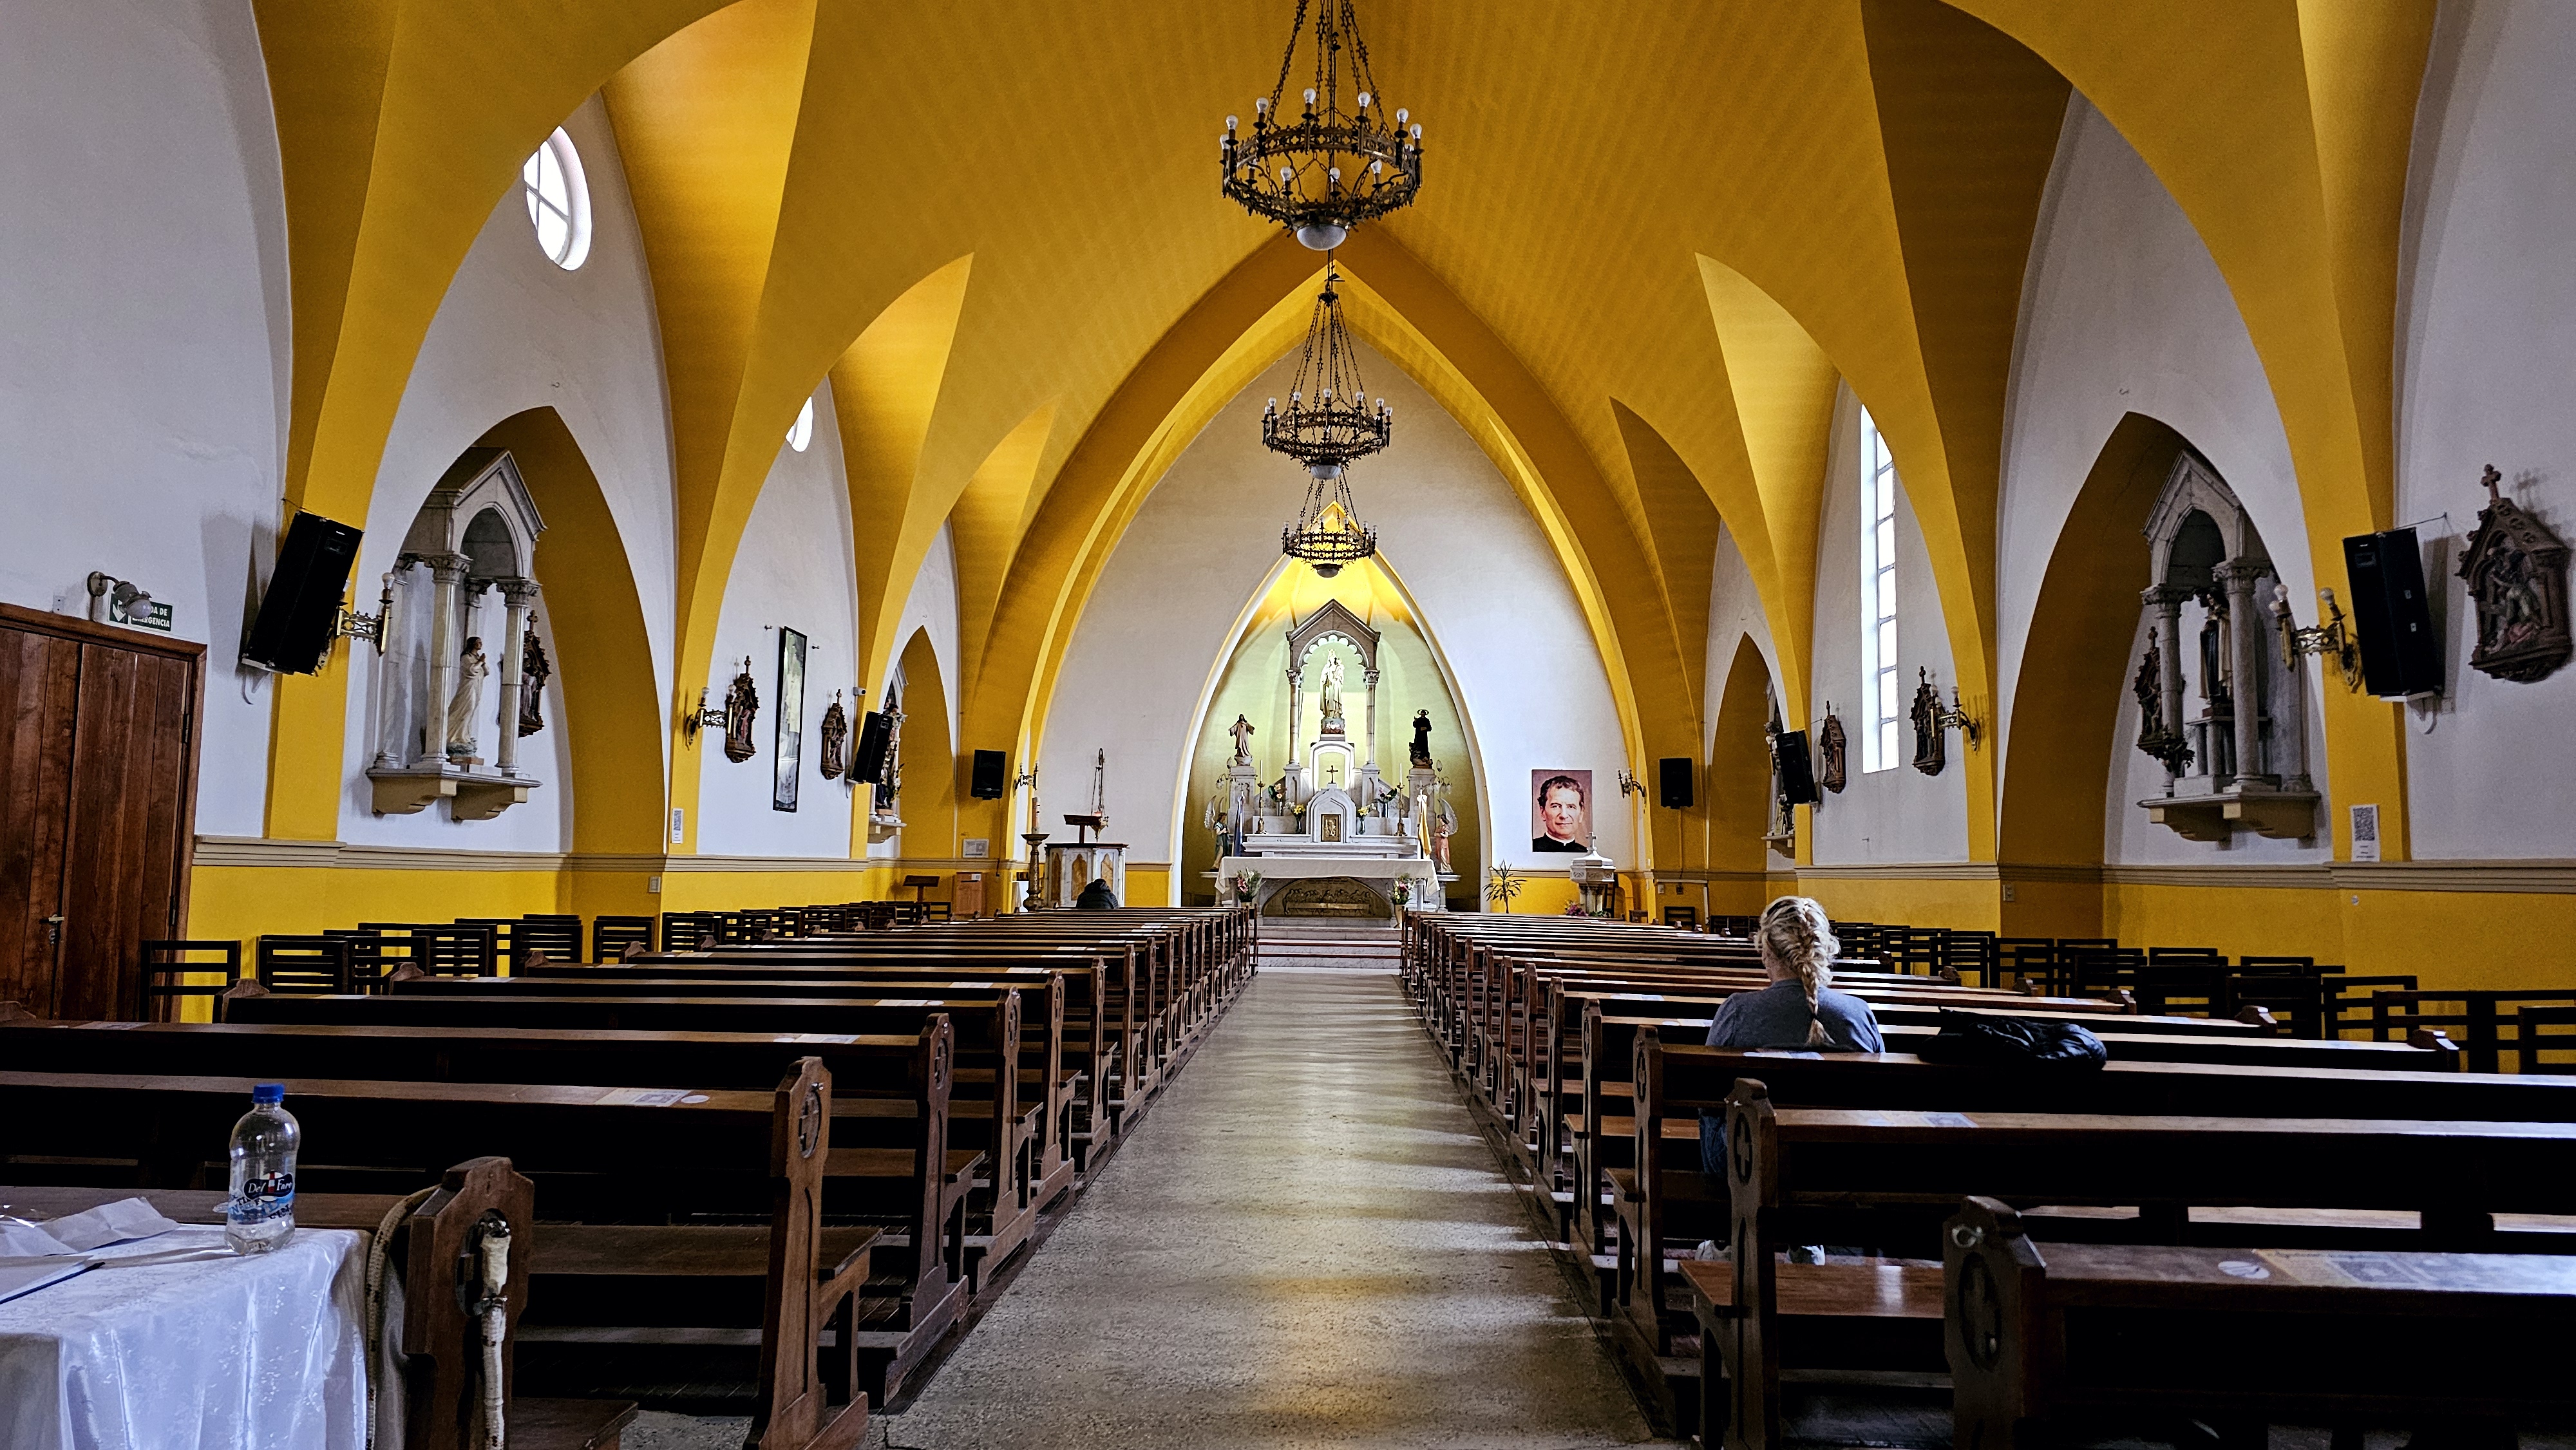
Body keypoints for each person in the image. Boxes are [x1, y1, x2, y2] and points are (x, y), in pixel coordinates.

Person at [1698, 896, 1883, 1180]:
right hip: (1844, 1158)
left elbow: (1707, 1090)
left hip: (1748, 1160)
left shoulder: (1738, 1011)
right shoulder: (1858, 1013)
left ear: (1767, 949)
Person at [1532, 774, 1589, 851]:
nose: (1564, 815)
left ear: (1581, 814)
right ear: (1543, 812)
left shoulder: (1586, 853)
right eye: (1556, 806)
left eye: (1571, 807)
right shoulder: (1530, 850)